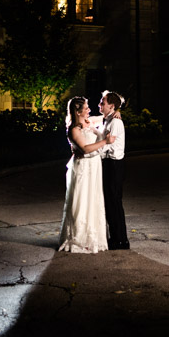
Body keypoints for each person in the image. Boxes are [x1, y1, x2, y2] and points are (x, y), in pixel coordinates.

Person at [58, 96, 116, 253]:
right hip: (83, 168)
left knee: (94, 199)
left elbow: (105, 115)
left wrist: (117, 113)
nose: (89, 110)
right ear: (78, 111)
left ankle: (94, 237)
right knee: (83, 200)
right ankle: (80, 237)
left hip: (94, 167)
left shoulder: (89, 122)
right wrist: (105, 142)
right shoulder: (74, 130)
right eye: (86, 108)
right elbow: (85, 148)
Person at [99, 90, 129, 250]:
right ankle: (116, 237)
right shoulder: (108, 119)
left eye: (102, 102)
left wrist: (93, 152)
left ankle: (121, 240)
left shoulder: (115, 122)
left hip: (114, 165)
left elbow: (108, 146)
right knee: (110, 202)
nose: (100, 105)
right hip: (109, 164)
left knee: (115, 201)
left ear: (111, 105)